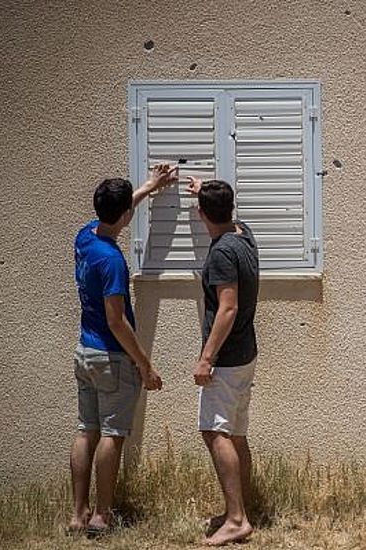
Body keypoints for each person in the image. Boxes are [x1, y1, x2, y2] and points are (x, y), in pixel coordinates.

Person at [69, 165, 177, 535]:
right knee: (112, 435)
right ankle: (101, 516)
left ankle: (78, 514)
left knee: (87, 431)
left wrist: (147, 187)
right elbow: (117, 321)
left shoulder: (85, 236)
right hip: (111, 358)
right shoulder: (112, 260)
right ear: (125, 217)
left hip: (85, 352)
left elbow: (115, 211)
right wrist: (144, 364)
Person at [187, 176, 260, 546]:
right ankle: (240, 511)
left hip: (227, 358)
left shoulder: (220, 254)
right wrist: (205, 191)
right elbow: (232, 215)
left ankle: (235, 519)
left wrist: (205, 358)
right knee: (234, 433)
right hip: (245, 353)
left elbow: (226, 308)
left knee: (214, 431)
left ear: (201, 215)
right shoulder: (244, 236)